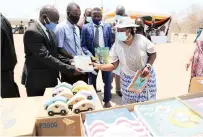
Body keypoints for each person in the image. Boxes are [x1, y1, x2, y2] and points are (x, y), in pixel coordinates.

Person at [92, 17, 157, 104]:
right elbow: (113, 65)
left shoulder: (141, 39)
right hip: (128, 81)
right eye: (117, 30)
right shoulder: (117, 45)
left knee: (146, 105)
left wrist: (148, 66)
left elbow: (153, 53)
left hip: (144, 78)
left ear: (129, 30)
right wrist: (99, 66)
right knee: (130, 106)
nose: (119, 33)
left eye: (121, 30)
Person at [21, 5, 81, 96]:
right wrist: (71, 70)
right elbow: (46, 57)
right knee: (38, 107)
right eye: (55, 20)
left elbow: (54, 53)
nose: (57, 23)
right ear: (45, 17)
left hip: (51, 79)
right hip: (37, 82)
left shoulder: (50, 31)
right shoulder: (32, 32)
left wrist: (70, 61)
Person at [81, 7, 112, 108]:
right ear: (91, 16)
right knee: (92, 81)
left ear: (102, 16)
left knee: (107, 81)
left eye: (99, 16)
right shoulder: (85, 27)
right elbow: (83, 45)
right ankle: (93, 101)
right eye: (94, 16)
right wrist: (91, 56)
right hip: (92, 58)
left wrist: (110, 54)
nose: (97, 18)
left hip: (105, 56)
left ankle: (107, 100)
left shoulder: (107, 26)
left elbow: (111, 43)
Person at [55, 3, 88, 84]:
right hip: (69, 64)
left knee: (82, 89)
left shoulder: (76, 28)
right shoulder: (61, 28)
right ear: (68, 14)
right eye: (75, 14)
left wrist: (82, 59)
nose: (78, 16)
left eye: (79, 14)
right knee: (69, 90)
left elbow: (78, 46)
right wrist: (73, 57)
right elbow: (59, 48)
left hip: (80, 63)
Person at [1, 14, 20, 98]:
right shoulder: (4, 20)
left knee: (8, 97)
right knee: (10, 91)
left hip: (3, 68)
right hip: (7, 66)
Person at [111, 5, 127, 97]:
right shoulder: (113, 22)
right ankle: (117, 89)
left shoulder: (126, 21)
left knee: (122, 69)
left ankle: (122, 88)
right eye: (118, 13)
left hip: (125, 47)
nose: (119, 15)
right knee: (116, 69)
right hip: (116, 48)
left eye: (120, 13)